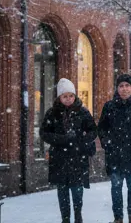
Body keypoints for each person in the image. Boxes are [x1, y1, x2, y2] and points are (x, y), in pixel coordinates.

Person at [98, 73, 131, 223]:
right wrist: (107, 142)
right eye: (121, 86)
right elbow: (101, 128)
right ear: (117, 89)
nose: (124, 89)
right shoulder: (109, 106)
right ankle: (118, 217)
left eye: (127, 86)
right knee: (116, 187)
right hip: (114, 155)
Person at [41, 78, 97, 223]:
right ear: (59, 97)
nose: (68, 99)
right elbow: (44, 133)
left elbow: (93, 131)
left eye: (71, 95)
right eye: (65, 96)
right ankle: (65, 218)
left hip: (78, 158)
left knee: (77, 190)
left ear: (75, 96)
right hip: (59, 159)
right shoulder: (52, 113)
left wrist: (81, 140)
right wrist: (61, 139)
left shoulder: (83, 112)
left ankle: (78, 216)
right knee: (62, 191)